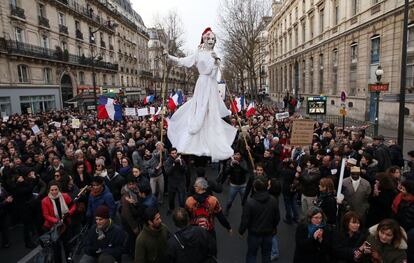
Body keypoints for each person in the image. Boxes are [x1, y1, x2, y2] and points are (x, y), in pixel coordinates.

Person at [165, 27, 237, 161]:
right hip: (202, 83)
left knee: (211, 111)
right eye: (209, 38)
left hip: (212, 85)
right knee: (199, 109)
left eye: (213, 39)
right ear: (204, 39)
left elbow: (215, 73)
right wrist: (169, 57)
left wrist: (217, 62)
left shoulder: (215, 55)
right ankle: (190, 141)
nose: (211, 41)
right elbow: (183, 61)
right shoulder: (198, 54)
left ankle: (213, 140)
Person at [239, 179, 280, 263]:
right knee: (266, 255)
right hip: (268, 234)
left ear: (254, 188)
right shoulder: (273, 200)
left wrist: (241, 231)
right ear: (266, 187)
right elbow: (277, 218)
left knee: (252, 255)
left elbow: (245, 220)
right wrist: (273, 227)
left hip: (254, 234)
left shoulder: (250, 202)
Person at [41, 181, 76, 263]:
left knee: (67, 246)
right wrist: (56, 221)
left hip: (65, 225)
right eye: (52, 190)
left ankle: (69, 261)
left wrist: (69, 213)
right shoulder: (45, 201)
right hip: (53, 228)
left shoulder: (65, 196)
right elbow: (46, 215)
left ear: (59, 189)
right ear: (49, 190)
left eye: (56, 189)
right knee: (56, 249)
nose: (54, 192)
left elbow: (73, 206)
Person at [164, 148, 187, 214]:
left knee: (182, 199)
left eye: (175, 153)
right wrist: (174, 164)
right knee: (171, 199)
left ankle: (182, 211)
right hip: (172, 184)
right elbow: (167, 172)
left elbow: (185, 170)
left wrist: (180, 163)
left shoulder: (181, 160)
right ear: (170, 154)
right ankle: (171, 209)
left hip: (180, 182)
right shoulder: (167, 161)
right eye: (172, 153)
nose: (174, 155)